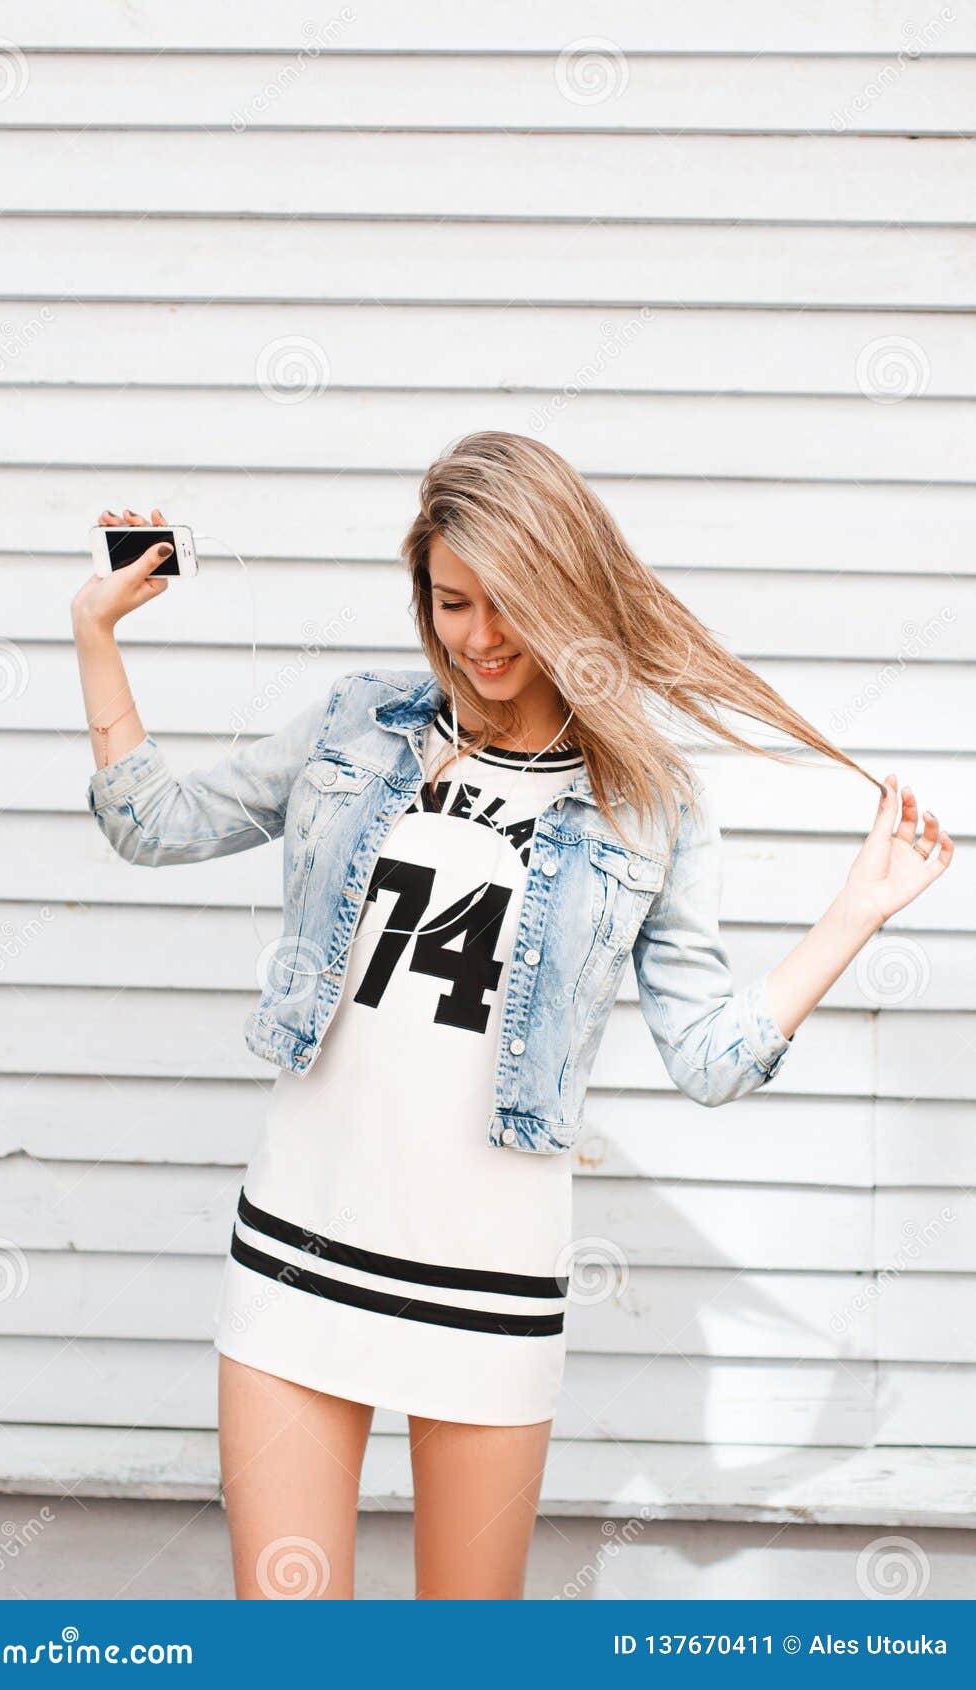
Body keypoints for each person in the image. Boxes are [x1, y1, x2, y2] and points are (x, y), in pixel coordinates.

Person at [72, 431, 953, 1600]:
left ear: (565, 593)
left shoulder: (646, 799)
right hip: (295, 1255)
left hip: (486, 1286)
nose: (478, 639)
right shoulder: (356, 720)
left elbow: (708, 1059)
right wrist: (94, 630)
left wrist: (854, 912)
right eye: (450, 602)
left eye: (509, 605)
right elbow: (153, 824)